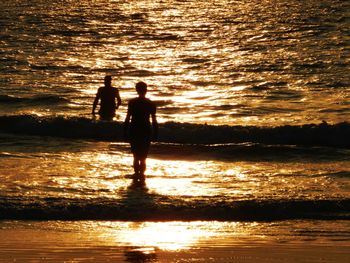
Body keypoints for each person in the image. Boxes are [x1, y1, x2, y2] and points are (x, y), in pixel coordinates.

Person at [124, 81, 158, 181]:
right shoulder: (150, 103)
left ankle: (136, 175)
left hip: (134, 129)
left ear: (137, 90)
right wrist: (156, 132)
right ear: (146, 90)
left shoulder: (132, 102)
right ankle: (141, 176)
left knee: (135, 155)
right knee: (143, 156)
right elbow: (154, 120)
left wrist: (125, 131)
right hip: (145, 130)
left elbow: (127, 118)